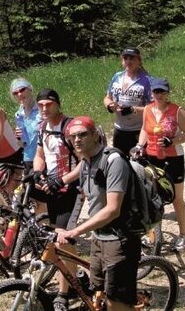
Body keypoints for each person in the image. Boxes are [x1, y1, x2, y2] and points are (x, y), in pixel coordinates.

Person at [58, 115, 140, 311]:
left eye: (82, 135)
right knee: (98, 291)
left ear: (95, 135)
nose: (77, 140)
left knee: (115, 303)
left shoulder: (113, 160)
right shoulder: (85, 162)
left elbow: (113, 209)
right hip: (99, 237)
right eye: (72, 136)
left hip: (119, 239)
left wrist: (76, 231)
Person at [31, 90, 81, 311]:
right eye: (41, 104)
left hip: (73, 189)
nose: (44, 108)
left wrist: (63, 180)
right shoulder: (43, 128)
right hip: (53, 188)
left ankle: (64, 293)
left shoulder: (70, 128)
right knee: (55, 235)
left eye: (49, 104)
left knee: (63, 240)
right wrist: (37, 172)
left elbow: (85, 161)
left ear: (58, 105)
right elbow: (40, 155)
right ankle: (75, 274)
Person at [134, 77, 185, 252]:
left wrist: (172, 141)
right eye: (156, 92)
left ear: (168, 93)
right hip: (152, 158)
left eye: (162, 92)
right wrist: (140, 146)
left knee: (176, 198)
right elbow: (145, 130)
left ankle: (183, 235)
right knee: (153, 198)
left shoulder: (178, 112)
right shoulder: (147, 109)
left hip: (173, 159)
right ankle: (153, 235)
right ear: (151, 93)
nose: (159, 95)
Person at [103, 48, 153, 154]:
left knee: (138, 165)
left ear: (139, 60)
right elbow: (107, 97)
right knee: (120, 162)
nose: (128, 61)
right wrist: (109, 105)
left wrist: (132, 109)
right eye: (125, 58)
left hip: (139, 130)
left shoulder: (147, 80)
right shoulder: (117, 76)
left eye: (132, 58)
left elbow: (154, 109)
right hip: (119, 129)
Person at [10, 78, 41, 173]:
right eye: (15, 93)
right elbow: (22, 145)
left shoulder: (42, 110)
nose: (19, 94)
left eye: (22, 90)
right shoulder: (18, 115)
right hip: (28, 157)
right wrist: (18, 138)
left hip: (44, 157)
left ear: (30, 89)